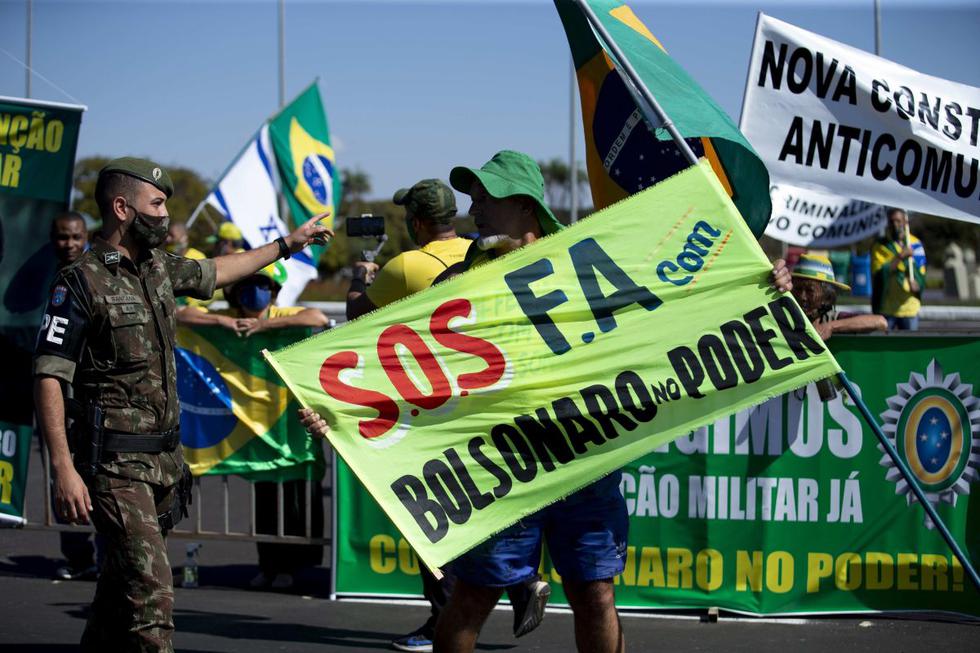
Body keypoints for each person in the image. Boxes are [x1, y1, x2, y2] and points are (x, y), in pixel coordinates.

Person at [302, 150, 793, 653]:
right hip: (503, 462)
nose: (476, 211)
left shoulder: (591, 252)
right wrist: (337, 411)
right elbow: (398, 355)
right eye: (473, 199)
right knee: (475, 594)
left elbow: (685, 295)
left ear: (525, 203)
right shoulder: (464, 277)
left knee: (595, 592)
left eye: (485, 199)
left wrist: (765, 282)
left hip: (586, 457)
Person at [33, 157, 331, 653]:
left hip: (163, 460)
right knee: (152, 600)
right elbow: (48, 375)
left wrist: (286, 245)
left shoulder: (156, 267)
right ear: (123, 208)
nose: (166, 214)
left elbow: (218, 270)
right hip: (115, 464)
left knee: (116, 592)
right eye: (157, 204)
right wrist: (63, 468)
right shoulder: (79, 282)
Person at [347, 178, 549, 652]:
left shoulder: (402, 266)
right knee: (487, 502)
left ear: (416, 222)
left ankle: (444, 620)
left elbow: (358, 319)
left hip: (437, 410)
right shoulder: (480, 250)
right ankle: (521, 582)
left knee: (431, 515)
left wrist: (361, 279)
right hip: (489, 398)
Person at [182, 261, 329, 589]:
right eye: (247, 285)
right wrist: (221, 321)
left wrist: (262, 329)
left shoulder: (281, 316)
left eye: (264, 286)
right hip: (255, 432)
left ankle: (292, 567)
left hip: (289, 428)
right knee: (266, 502)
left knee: (295, 501)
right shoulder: (230, 317)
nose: (256, 293)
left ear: (274, 293)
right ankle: (268, 565)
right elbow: (180, 316)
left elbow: (317, 318)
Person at [46, 211, 101, 581]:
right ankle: (77, 554)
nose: (70, 244)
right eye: (63, 238)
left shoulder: (98, 275)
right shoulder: (42, 279)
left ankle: (108, 553)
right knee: (65, 474)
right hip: (56, 393)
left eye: (76, 237)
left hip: (93, 397)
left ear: (87, 237)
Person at [791, 253, 887, 340]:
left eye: (810, 291)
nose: (802, 297)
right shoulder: (785, 315)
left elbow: (880, 321)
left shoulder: (830, 318)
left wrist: (831, 327)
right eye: (798, 289)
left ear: (825, 296)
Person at [871, 208, 927, 331]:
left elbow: (922, 273)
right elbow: (879, 274)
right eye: (891, 221)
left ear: (905, 222)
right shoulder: (880, 245)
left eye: (898, 221)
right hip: (887, 308)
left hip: (909, 308)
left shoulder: (915, 244)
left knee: (909, 348)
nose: (895, 224)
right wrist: (900, 256)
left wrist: (918, 284)